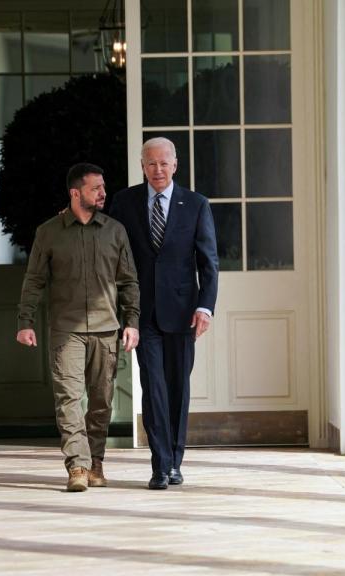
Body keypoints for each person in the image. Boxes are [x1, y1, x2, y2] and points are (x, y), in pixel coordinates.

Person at [16, 162, 140, 492]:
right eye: (95, 188)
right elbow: (34, 281)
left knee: (101, 402)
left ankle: (95, 460)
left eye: (103, 187)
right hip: (66, 329)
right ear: (76, 193)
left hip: (106, 328)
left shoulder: (115, 231)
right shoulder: (49, 232)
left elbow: (128, 282)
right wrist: (24, 322)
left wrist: (132, 322)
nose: (103, 193)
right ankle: (78, 466)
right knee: (69, 399)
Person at [109, 137, 219, 490]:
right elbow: (108, 249)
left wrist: (205, 307)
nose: (157, 169)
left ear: (175, 165)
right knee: (152, 386)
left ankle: (175, 460)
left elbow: (209, 262)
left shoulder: (196, 205)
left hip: (184, 312)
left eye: (163, 163)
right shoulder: (124, 203)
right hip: (142, 313)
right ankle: (160, 466)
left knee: (177, 388)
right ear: (142, 166)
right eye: (150, 163)